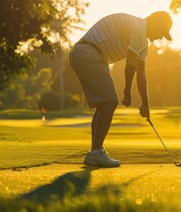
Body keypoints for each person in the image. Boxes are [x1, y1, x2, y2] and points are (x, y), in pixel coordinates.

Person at [69, 11, 173, 167]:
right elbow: (130, 63)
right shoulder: (139, 28)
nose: (160, 37)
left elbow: (141, 72)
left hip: (90, 55)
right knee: (110, 102)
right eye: (161, 32)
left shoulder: (143, 43)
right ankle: (96, 153)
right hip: (89, 53)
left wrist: (145, 102)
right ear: (154, 23)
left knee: (104, 104)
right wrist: (127, 90)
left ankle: (95, 152)